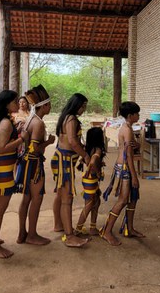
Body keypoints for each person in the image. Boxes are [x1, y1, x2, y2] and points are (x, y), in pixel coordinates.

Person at [0, 90, 28, 258]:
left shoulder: (5, 120)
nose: (18, 104)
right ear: (7, 103)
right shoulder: (5, 123)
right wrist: (21, 139)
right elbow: (2, 148)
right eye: (15, 101)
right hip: (1, 172)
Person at [15, 85, 55, 246]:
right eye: (49, 104)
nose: (50, 107)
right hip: (33, 164)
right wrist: (49, 142)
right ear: (44, 106)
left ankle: (22, 233)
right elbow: (34, 148)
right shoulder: (38, 123)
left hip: (25, 162)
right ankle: (31, 234)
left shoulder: (30, 118)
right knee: (36, 198)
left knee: (26, 198)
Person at [101, 102, 145, 246]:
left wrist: (136, 144)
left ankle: (129, 228)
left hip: (125, 166)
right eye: (137, 114)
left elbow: (130, 146)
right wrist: (134, 176)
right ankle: (106, 231)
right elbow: (128, 155)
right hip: (125, 167)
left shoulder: (127, 128)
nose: (138, 116)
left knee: (133, 198)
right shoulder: (127, 129)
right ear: (131, 115)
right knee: (123, 200)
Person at [54, 93, 91, 248]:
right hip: (65, 161)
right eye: (83, 106)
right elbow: (73, 142)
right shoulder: (71, 119)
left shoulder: (66, 117)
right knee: (67, 198)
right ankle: (69, 236)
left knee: (61, 195)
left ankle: (59, 225)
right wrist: (86, 156)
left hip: (63, 158)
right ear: (78, 105)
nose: (84, 110)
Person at [75, 127, 106, 236]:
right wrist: (97, 172)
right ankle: (78, 228)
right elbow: (93, 161)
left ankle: (93, 227)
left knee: (96, 201)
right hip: (91, 179)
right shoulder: (97, 149)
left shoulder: (88, 148)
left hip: (89, 179)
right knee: (89, 204)